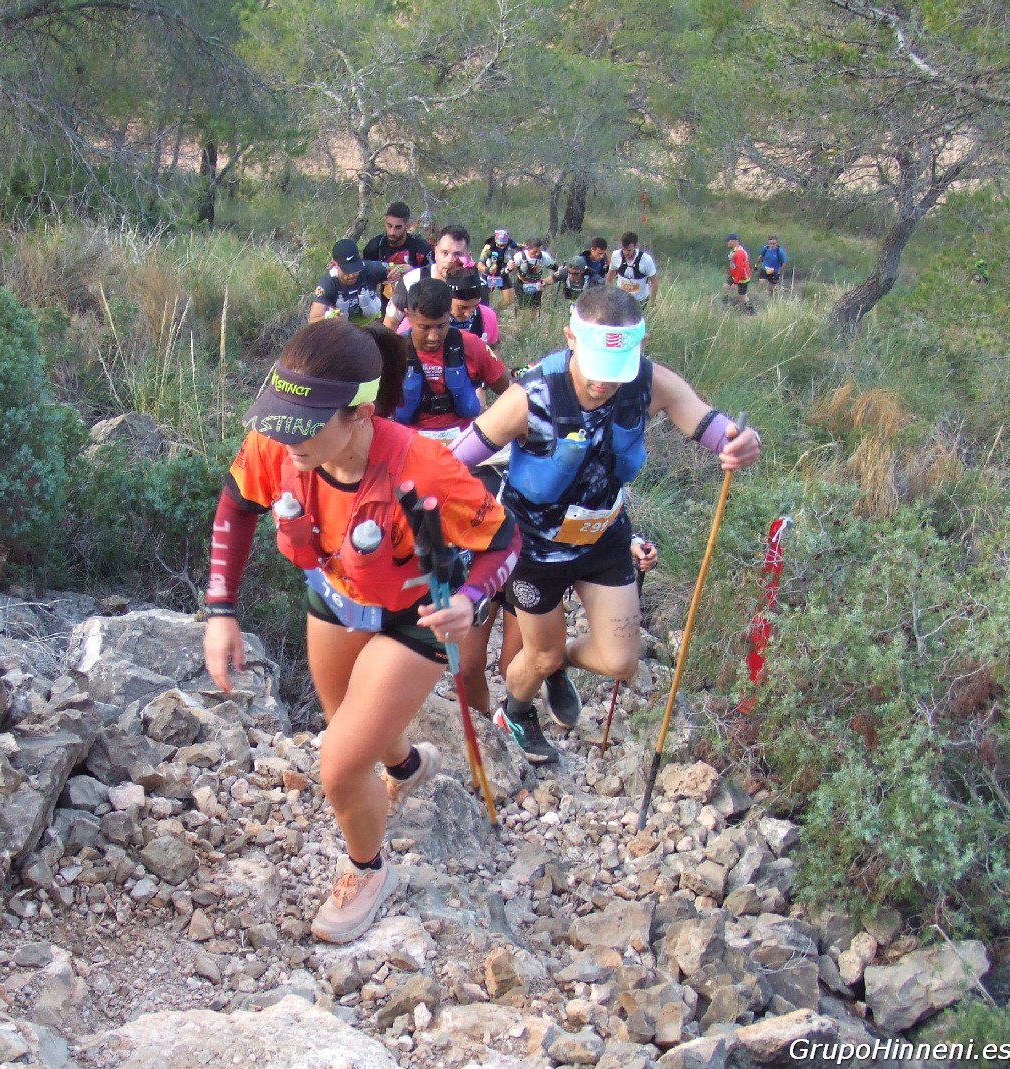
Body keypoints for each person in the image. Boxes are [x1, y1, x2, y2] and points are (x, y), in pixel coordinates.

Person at [203, 318, 521, 942]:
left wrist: (471, 598)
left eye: (305, 424)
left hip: (414, 616)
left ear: (360, 414)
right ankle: (406, 766)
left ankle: (369, 870)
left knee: (340, 765)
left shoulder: (424, 469)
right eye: (279, 419)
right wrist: (221, 610)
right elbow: (236, 507)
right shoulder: (279, 446)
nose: (285, 437)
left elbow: (505, 541)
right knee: (348, 724)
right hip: (337, 598)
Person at [446, 286, 761, 764]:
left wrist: (738, 442)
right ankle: (517, 712)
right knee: (539, 656)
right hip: (533, 549)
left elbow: (711, 425)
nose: (603, 382)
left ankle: (558, 662)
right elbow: (456, 461)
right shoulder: (530, 397)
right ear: (570, 338)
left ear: (639, 346)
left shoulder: (651, 383)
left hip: (603, 537)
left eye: (616, 370)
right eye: (595, 367)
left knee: (619, 661)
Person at [391, 278, 511, 440]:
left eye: (441, 326)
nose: (433, 337)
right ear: (409, 317)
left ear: (449, 315)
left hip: (463, 440)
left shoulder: (472, 345)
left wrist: (490, 426)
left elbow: (510, 391)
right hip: (409, 440)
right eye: (424, 327)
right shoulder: (393, 351)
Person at [384, 225, 472, 329]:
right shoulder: (411, 281)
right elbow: (389, 325)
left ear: (468, 256)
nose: (449, 260)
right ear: (436, 252)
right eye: (445, 253)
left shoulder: (476, 286)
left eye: (457, 254)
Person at [395, 268, 501, 349]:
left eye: (475, 306)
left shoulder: (487, 316)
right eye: (462, 307)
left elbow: (494, 356)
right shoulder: (423, 318)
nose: (468, 314)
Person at [362, 201, 434, 302]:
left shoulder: (421, 247)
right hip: (387, 302)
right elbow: (362, 275)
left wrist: (412, 270)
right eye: (389, 226)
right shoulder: (375, 246)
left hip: (418, 302)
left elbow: (435, 275)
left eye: (398, 227)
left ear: (407, 226)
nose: (392, 232)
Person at [309, 239, 390, 324]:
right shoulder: (327, 284)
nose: (351, 275)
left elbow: (396, 268)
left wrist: (397, 272)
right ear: (334, 264)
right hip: (344, 328)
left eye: (355, 269)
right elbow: (313, 320)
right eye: (346, 270)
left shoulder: (371, 268)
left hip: (373, 322)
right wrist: (329, 317)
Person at [607, 232, 659, 308]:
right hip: (621, 299)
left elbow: (654, 282)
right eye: (623, 249)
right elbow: (610, 275)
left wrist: (652, 303)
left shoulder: (646, 260)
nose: (626, 253)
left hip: (640, 300)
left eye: (629, 250)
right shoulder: (616, 256)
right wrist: (607, 294)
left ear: (636, 245)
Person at [510, 238, 554, 319]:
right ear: (527, 249)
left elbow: (555, 268)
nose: (537, 254)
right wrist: (510, 268)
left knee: (534, 308)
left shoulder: (544, 257)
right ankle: (523, 323)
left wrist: (560, 272)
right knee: (523, 309)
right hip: (522, 284)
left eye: (539, 251)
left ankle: (531, 323)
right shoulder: (519, 256)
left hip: (537, 285)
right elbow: (508, 269)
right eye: (534, 252)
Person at [478, 228, 520, 307]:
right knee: (485, 300)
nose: (502, 247)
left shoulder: (511, 243)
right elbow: (479, 265)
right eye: (500, 245)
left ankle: (497, 310)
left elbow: (521, 246)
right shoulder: (488, 247)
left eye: (504, 245)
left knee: (508, 300)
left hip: (503, 272)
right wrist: (488, 270)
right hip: (488, 274)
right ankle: (486, 311)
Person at [724, 233, 755, 313]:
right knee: (725, 287)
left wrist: (735, 282)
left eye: (728, 241)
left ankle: (752, 311)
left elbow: (740, 269)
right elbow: (734, 265)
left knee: (742, 296)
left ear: (733, 241)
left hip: (742, 277)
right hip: (734, 275)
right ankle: (724, 305)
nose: (727, 243)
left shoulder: (739, 253)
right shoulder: (734, 251)